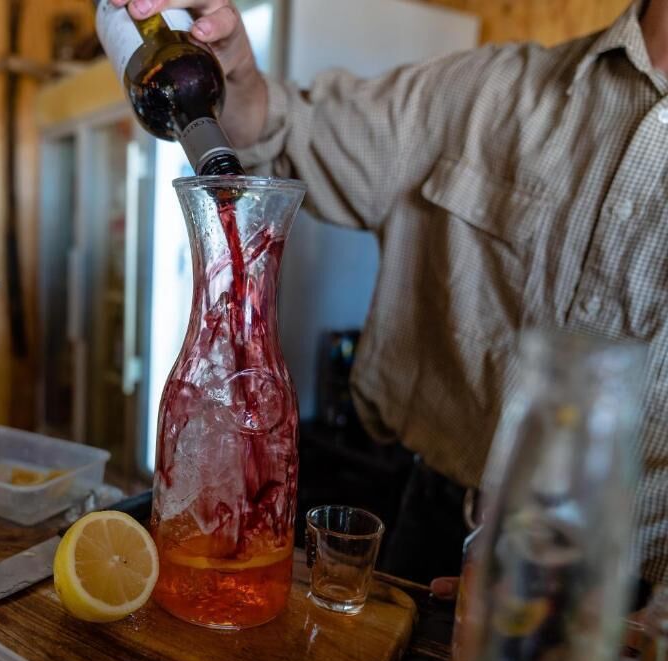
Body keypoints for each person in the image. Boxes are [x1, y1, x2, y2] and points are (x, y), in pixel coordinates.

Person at [111, 0, 668, 595]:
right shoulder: (484, 94)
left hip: (635, 595)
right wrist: (238, 81)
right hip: (434, 533)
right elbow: (290, 131)